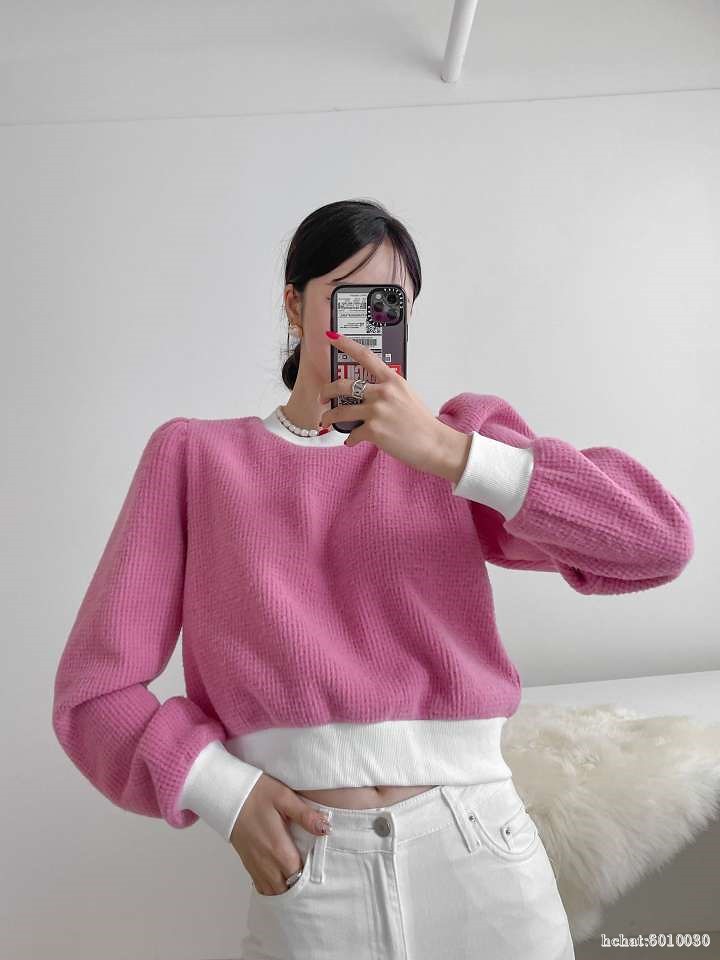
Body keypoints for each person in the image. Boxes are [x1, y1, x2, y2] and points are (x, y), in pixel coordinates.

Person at [52, 198, 694, 959]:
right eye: (347, 296)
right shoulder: (196, 459)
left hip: (482, 853)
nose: (369, 324)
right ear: (295, 305)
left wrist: (453, 455)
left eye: (389, 303)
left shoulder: (455, 448)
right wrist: (224, 793)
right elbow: (94, 692)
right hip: (309, 866)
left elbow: (658, 544)